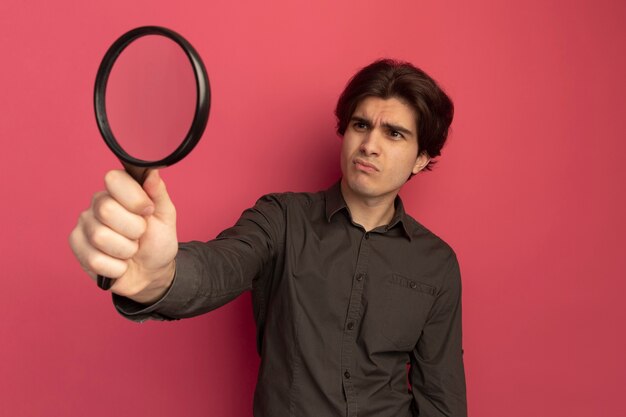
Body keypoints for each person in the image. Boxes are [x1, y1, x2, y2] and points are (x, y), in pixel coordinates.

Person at [69, 59, 467, 417]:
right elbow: (222, 265)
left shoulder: (438, 264)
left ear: (420, 158)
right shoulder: (282, 217)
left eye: (394, 134)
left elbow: (441, 396)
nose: (369, 145)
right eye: (360, 125)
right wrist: (158, 277)